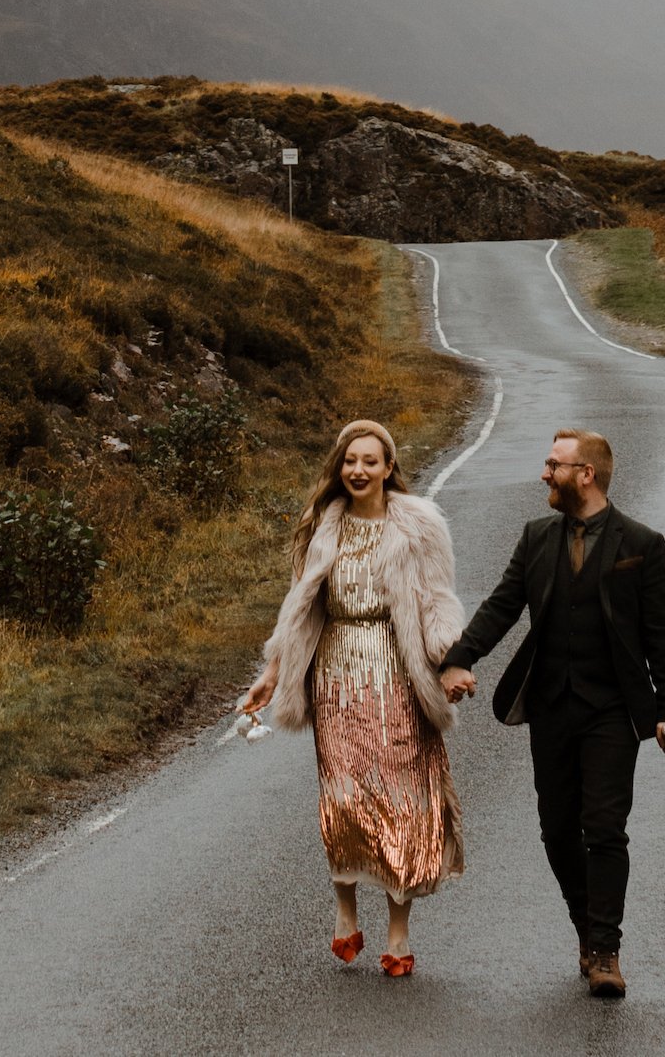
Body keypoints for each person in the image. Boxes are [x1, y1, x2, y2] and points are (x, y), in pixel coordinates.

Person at [437, 426, 665, 1002]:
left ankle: (605, 951)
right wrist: (457, 659)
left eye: (554, 465)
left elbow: (661, 638)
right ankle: (585, 925)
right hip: (551, 706)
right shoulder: (536, 537)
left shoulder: (642, 545)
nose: (544, 474)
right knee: (556, 832)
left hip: (611, 711)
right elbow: (501, 606)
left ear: (586, 474)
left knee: (604, 829)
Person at [241, 417, 466, 977]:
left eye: (370, 461)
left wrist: (449, 662)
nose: (358, 470)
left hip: (398, 670)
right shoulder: (321, 525)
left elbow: (439, 601)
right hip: (337, 674)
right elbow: (298, 611)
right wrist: (273, 672)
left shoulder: (419, 526)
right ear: (339, 468)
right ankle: (345, 911)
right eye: (349, 461)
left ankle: (398, 928)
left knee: (400, 797)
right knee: (343, 798)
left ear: (390, 468)